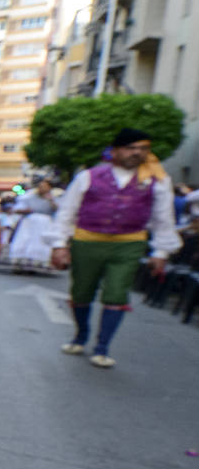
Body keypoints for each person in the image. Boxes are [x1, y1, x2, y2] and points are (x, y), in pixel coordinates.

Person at [47, 128, 182, 367]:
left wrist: (161, 252)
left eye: (143, 149)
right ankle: (80, 337)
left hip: (128, 244)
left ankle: (102, 348)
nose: (137, 153)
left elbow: (164, 218)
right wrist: (59, 245)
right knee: (81, 293)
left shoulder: (157, 180)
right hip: (87, 242)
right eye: (131, 148)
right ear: (116, 150)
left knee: (117, 295)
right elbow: (67, 211)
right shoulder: (89, 176)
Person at [4, 177, 58, 273]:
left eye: (44, 186)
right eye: (40, 186)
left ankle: (36, 264)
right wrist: (24, 211)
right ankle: (20, 263)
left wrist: (51, 200)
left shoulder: (54, 197)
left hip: (45, 224)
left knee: (39, 242)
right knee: (25, 241)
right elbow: (18, 208)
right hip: (29, 222)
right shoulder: (29, 196)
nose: (41, 188)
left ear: (49, 188)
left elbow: (58, 210)